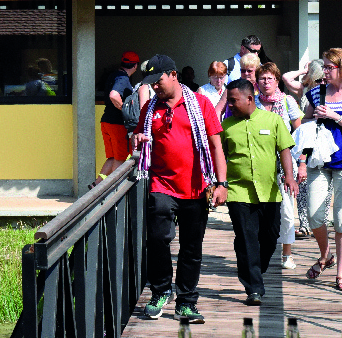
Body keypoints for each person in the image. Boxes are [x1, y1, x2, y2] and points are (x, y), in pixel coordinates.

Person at [132, 54, 227, 323]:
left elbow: (216, 146)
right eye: (150, 83)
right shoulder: (151, 108)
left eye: (158, 80)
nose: (155, 87)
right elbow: (139, 141)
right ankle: (160, 291)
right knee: (159, 238)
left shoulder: (200, 103)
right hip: (161, 184)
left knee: (191, 247)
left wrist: (222, 183)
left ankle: (186, 301)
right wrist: (137, 140)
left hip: (196, 188)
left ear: (173, 75)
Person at [221, 79, 298, 305]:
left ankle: (254, 268)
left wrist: (289, 176)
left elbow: (284, 148)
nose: (230, 106)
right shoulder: (226, 127)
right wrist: (220, 184)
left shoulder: (273, 120)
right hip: (238, 191)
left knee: (270, 236)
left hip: (269, 191)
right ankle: (254, 288)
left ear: (249, 99)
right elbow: (219, 157)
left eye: (233, 101)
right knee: (247, 239)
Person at [255, 62, 302, 270]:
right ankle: (258, 252)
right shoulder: (253, 101)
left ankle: (287, 253)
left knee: (285, 209)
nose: (266, 82)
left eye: (270, 78)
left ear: (276, 80)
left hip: (285, 161)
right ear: (257, 82)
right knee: (259, 208)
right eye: (262, 78)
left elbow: (299, 132)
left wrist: (300, 163)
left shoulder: (287, 101)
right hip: (259, 161)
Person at [304, 48, 342, 291]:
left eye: (329, 67)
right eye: (324, 67)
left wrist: (335, 116)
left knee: (341, 219)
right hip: (319, 160)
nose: (325, 71)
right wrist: (314, 118)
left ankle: (340, 272)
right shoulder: (316, 92)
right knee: (313, 215)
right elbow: (304, 122)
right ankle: (326, 255)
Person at [282, 59, 332, 239]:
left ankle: (321, 222)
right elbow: (286, 78)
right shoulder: (305, 90)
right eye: (318, 79)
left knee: (325, 186)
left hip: (325, 141)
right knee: (303, 186)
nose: (322, 83)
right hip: (306, 139)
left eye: (323, 79)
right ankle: (305, 224)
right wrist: (302, 70)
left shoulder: (330, 92)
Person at [89, 51, 139, 189]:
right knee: (120, 158)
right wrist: (125, 110)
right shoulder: (123, 78)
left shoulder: (113, 75)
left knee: (112, 156)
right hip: (117, 124)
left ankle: (96, 186)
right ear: (135, 66)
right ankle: (116, 190)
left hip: (106, 122)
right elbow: (114, 95)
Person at [215, 53, 260, 121]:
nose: (246, 73)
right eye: (243, 70)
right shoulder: (233, 86)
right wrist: (219, 129)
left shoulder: (262, 87)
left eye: (249, 71)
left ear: (256, 71)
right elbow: (218, 110)